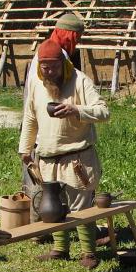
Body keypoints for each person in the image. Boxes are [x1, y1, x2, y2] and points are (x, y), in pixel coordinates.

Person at [18, 39, 110, 269]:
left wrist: (76, 110)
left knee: (81, 207)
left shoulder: (80, 80)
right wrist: (25, 148)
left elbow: (103, 112)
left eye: (54, 67)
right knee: (54, 206)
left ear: (63, 63)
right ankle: (60, 249)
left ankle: (89, 252)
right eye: (45, 67)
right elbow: (30, 118)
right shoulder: (37, 83)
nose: (50, 72)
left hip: (77, 159)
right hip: (48, 159)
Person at [21, 14, 86, 225]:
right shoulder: (55, 55)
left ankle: (50, 223)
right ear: (68, 34)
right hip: (45, 125)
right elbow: (38, 96)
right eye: (76, 37)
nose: (76, 43)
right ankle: (42, 226)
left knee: (49, 183)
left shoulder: (51, 52)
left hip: (46, 123)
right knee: (44, 181)